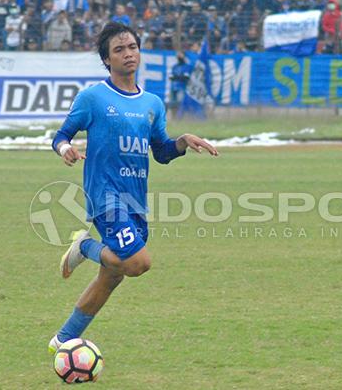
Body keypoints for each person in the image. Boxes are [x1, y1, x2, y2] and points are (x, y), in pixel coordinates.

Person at [47, 22, 218, 353]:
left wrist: (181, 142)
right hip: (105, 196)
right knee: (138, 263)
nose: (128, 54)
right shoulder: (93, 98)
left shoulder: (152, 103)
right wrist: (64, 149)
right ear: (107, 60)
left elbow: (161, 152)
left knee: (112, 276)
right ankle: (84, 247)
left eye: (133, 47)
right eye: (119, 50)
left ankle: (64, 339)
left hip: (135, 201)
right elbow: (60, 135)